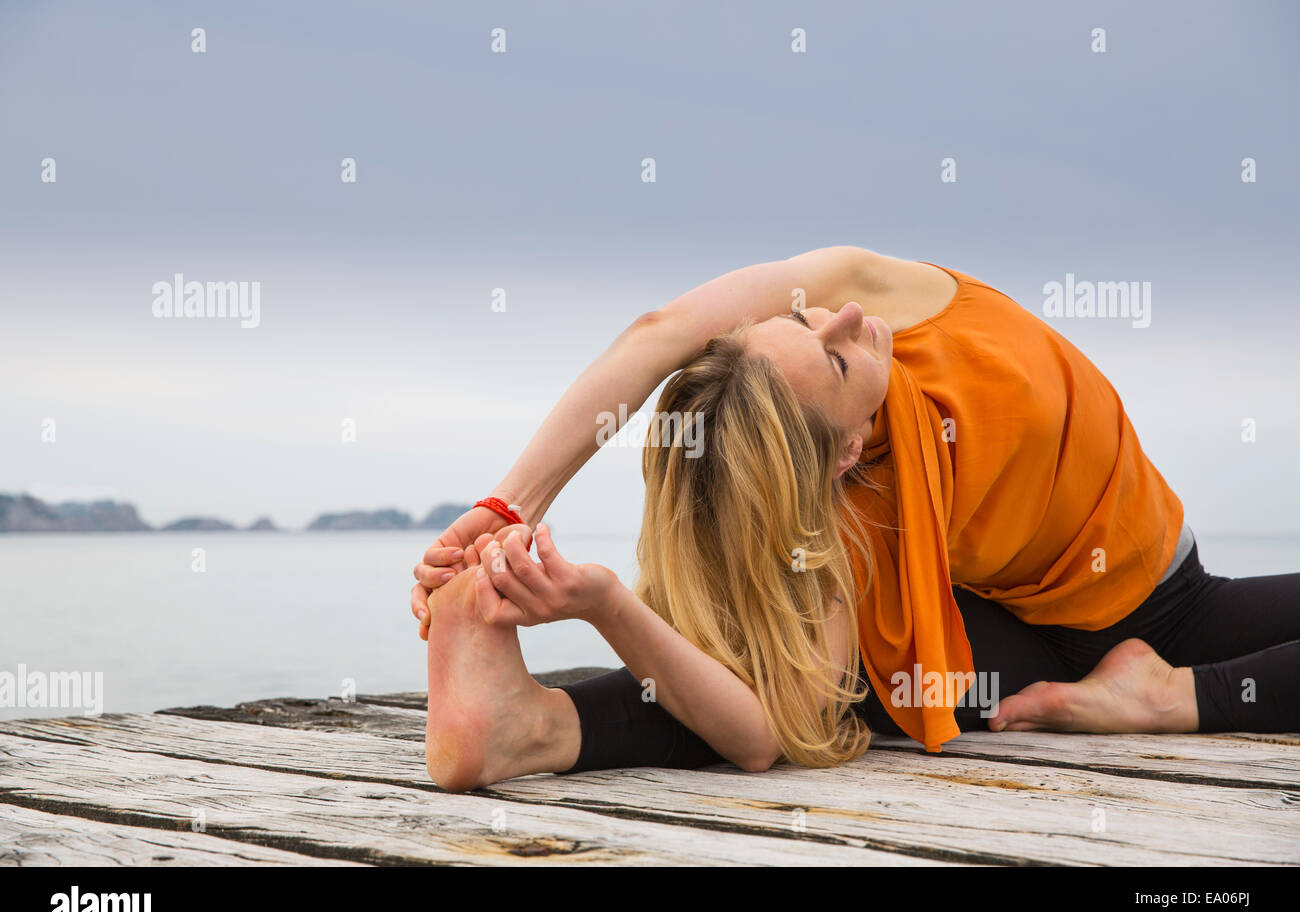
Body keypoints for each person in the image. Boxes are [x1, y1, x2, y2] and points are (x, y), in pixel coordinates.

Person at [410, 246, 1300, 793]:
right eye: (834, 362)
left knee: (831, 683)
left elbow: (659, 331)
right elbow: (768, 730)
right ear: (838, 455)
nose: (844, 319)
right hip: (1041, 631)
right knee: (808, 683)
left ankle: (1171, 696)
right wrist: (605, 600)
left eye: (802, 320)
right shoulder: (855, 509)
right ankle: (528, 727)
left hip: (1151, 604)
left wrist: (507, 507)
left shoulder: (880, 294)